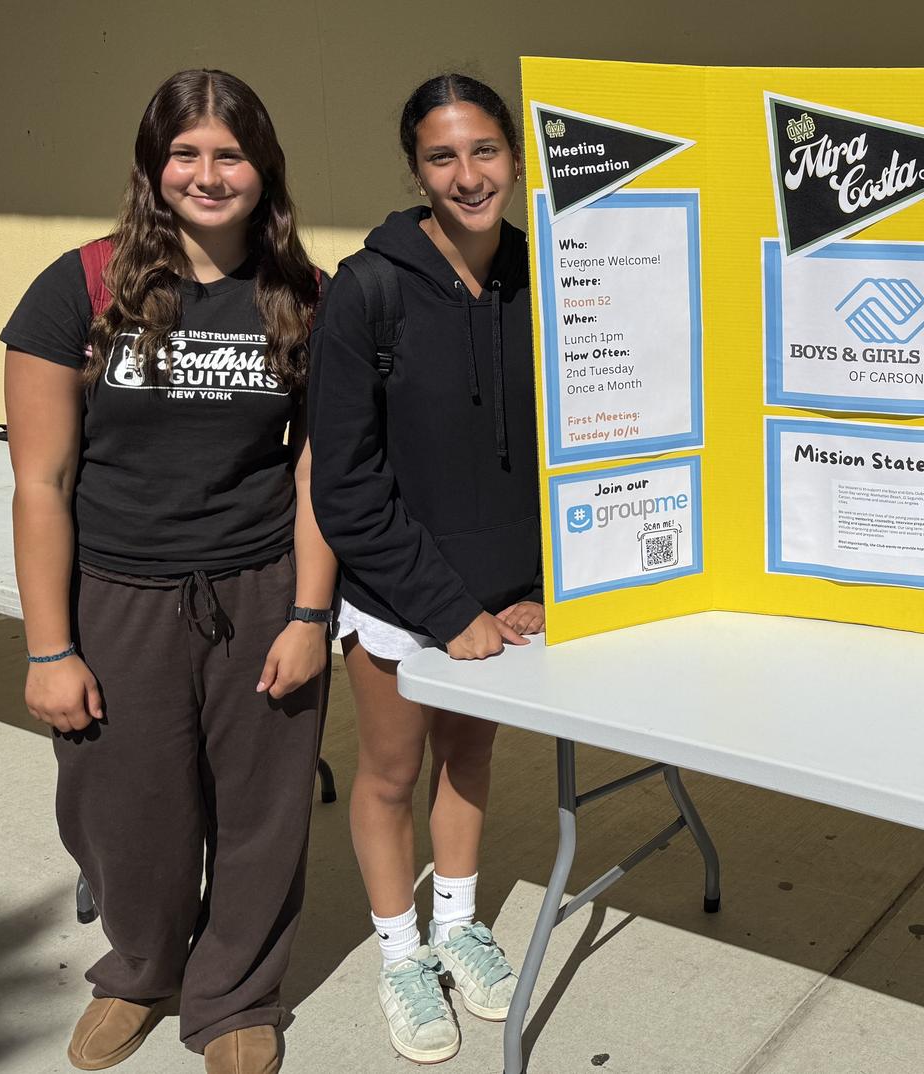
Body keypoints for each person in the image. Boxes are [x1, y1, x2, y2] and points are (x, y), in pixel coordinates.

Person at [2, 69, 332, 1074]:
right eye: (184, 152)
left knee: (260, 810)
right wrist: (51, 646)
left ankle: (234, 991)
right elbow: (42, 480)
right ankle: (143, 969)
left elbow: (319, 466)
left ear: (262, 166)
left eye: (229, 152)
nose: (207, 172)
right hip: (119, 592)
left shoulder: (301, 298)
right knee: (123, 806)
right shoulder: (84, 285)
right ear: (153, 167)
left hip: (259, 584)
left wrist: (310, 614)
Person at [307, 72, 543, 1065]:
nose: (467, 174)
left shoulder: (548, 275)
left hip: (506, 601)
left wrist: (543, 584)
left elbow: (572, 445)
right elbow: (346, 486)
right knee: (393, 770)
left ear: (514, 159)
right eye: (443, 156)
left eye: (484, 150)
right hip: (403, 595)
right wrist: (447, 609)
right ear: (416, 169)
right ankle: (401, 951)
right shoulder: (367, 289)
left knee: (472, 758)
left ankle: (458, 925)